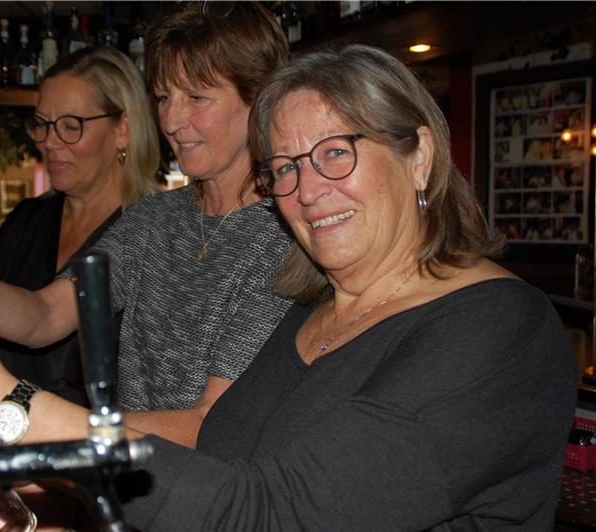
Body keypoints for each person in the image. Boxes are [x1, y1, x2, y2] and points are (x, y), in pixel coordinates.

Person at [114, 45, 575, 529]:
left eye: (335, 152)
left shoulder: (498, 329)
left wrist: (51, 436)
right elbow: (225, 468)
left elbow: (271, 514)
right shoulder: (306, 312)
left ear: (420, 156)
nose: (307, 192)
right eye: (287, 167)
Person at [0, 2, 292, 448]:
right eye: (162, 97)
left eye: (196, 97)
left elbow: (210, 427)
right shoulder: (157, 218)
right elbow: (46, 315)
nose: (172, 120)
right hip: (130, 493)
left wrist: (16, 415)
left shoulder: (285, 236)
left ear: (261, 99)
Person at [0, 47, 160, 405]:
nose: (49, 141)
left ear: (122, 129)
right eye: (43, 124)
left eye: (70, 126)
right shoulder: (24, 222)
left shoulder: (153, 230)